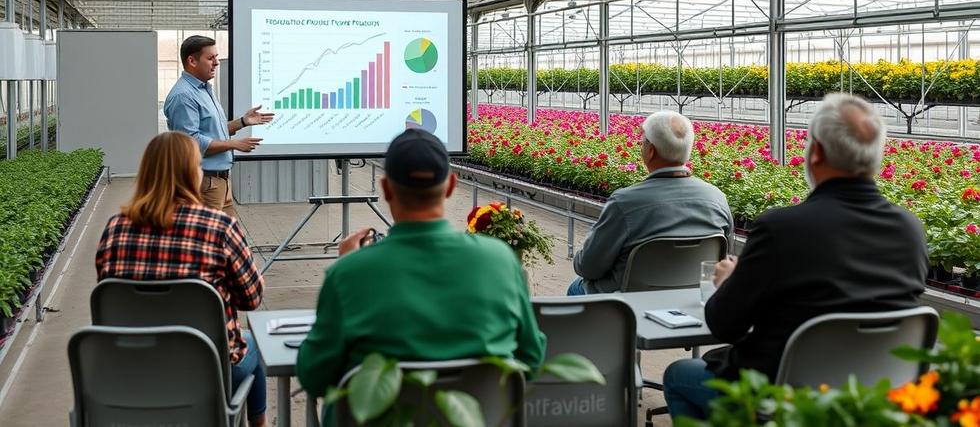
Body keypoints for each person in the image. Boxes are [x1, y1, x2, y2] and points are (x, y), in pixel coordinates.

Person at [663, 93, 929, 419]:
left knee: (679, 375)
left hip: (785, 398)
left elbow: (725, 324)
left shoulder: (782, 228)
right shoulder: (909, 229)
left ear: (815, 152)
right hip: (873, 397)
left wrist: (729, 283)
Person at [297, 129, 547, 414]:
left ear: (387, 188)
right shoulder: (500, 260)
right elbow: (530, 360)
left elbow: (314, 376)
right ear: (451, 186)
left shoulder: (349, 274)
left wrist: (346, 267)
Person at [95, 132, 267, 427]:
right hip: (207, 370)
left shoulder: (114, 229)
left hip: (130, 368)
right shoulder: (220, 226)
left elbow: (111, 294)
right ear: (192, 173)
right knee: (255, 346)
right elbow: (251, 299)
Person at [567, 110, 733, 295]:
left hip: (627, 301)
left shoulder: (624, 203)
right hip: (693, 296)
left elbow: (589, 267)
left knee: (576, 288)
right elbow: (724, 261)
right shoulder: (717, 198)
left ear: (651, 150)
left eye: (642, 142)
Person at [163, 35, 273, 218]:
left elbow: (215, 131)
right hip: (204, 184)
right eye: (210, 58)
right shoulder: (183, 96)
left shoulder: (204, 89)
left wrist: (243, 122)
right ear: (192, 60)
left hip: (220, 182)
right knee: (209, 242)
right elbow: (192, 144)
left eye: (216, 57)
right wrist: (234, 144)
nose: (216, 63)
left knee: (230, 239)